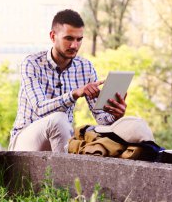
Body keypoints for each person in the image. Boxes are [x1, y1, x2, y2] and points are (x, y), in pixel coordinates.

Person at [9, 9, 127, 152]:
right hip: (24, 140)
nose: (74, 45)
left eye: (79, 39)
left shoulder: (85, 67)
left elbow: (101, 120)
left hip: (61, 139)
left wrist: (116, 115)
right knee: (58, 120)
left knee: (131, 125)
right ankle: (67, 174)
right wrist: (74, 94)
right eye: (69, 38)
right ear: (53, 36)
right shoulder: (32, 63)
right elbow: (40, 108)